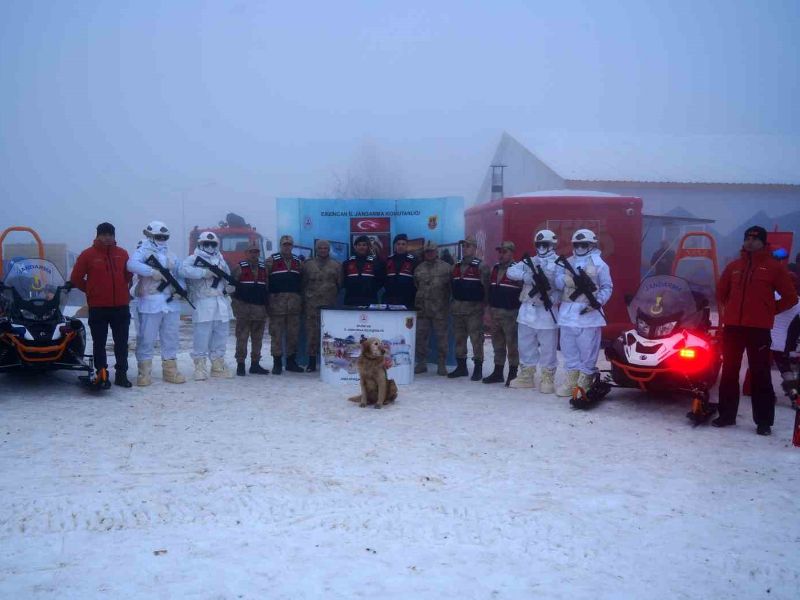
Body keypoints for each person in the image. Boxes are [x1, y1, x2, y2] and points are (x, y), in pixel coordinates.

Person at [713, 226, 798, 435]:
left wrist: (768, 311)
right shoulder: (734, 266)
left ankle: (764, 421)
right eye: (747, 238)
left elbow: (790, 297)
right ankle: (726, 415)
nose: (750, 242)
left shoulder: (773, 268)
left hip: (758, 329)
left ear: (763, 242)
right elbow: (721, 293)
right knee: (730, 372)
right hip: (733, 328)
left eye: (755, 238)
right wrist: (731, 310)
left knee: (760, 374)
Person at [69, 222, 133, 388]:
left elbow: (128, 276)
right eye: (104, 234)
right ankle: (101, 373)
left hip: (121, 306)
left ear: (114, 236)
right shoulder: (87, 255)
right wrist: (91, 290)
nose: (107, 238)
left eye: (110, 234)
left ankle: (121, 374)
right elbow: (76, 279)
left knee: (121, 342)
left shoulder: (122, 254)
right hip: (98, 307)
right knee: (99, 342)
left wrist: (122, 291)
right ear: (97, 235)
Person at [127, 220, 186, 386]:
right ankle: (144, 372)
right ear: (150, 235)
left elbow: (179, 274)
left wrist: (180, 289)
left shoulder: (171, 255)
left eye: (164, 236)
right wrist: (151, 271)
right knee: (147, 338)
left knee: (171, 338)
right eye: (159, 236)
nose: (162, 239)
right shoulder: (143, 251)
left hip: (170, 303)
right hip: (151, 302)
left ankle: (170, 370)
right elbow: (131, 264)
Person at [554, 229, 613, 397]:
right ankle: (572, 378)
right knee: (568, 348)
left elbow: (607, 287)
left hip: (588, 314)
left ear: (591, 244)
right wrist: (565, 279)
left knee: (587, 349)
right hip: (567, 312)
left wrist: (597, 303)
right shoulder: (566, 262)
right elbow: (558, 284)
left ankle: (585, 378)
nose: (580, 247)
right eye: (577, 244)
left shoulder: (599, 264)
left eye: (584, 244)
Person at [506, 229, 560, 393]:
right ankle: (527, 376)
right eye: (539, 244)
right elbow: (510, 271)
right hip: (527, 310)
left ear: (552, 245)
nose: (542, 247)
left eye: (545, 244)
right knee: (525, 345)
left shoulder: (559, 263)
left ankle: (547, 377)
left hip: (546, 311)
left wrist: (552, 298)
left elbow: (561, 288)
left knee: (548, 347)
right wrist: (526, 276)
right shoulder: (530, 260)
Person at [182, 231, 234, 380]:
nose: (210, 246)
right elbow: (183, 270)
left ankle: (217, 365)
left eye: (213, 244)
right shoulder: (193, 258)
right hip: (204, 301)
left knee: (221, 335)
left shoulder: (221, 261)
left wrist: (230, 286)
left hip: (221, 302)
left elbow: (228, 277)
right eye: (206, 243)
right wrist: (204, 273)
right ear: (200, 244)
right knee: (202, 336)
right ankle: (200, 366)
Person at [448, 235, 490, 381]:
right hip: (458, 309)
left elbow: (487, 289)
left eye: (468, 246)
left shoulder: (481, 266)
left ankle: (478, 368)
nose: (465, 249)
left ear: (475, 248)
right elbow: (450, 286)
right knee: (459, 339)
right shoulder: (456, 266)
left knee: (476, 339)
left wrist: (483, 307)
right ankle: (461, 367)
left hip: (474, 310)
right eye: (464, 246)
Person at [482, 241, 522, 385]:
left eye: (504, 252)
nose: (501, 254)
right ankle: (498, 372)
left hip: (511, 313)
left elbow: (523, 292)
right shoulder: (495, 269)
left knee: (512, 345)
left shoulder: (518, 269)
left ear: (511, 253)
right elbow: (490, 290)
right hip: (495, 312)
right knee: (497, 344)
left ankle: (513, 374)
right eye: (500, 251)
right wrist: (487, 309)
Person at [302, 239, 342, 372]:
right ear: (316, 249)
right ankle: (312, 362)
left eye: (325, 248)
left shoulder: (336, 265)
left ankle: (328, 361)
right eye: (320, 248)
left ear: (329, 249)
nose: (323, 250)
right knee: (312, 333)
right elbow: (303, 283)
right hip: (312, 305)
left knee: (328, 334)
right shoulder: (308, 265)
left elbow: (340, 284)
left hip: (328, 306)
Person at [231, 239, 270, 376]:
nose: (254, 254)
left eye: (256, 252)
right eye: (251, 252)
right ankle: (240, 364)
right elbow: (232, 289)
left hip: (259, 310)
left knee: (257, 339)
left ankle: (255, 364)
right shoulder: (239, 268)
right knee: (242, 338)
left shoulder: (264, 268)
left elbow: (267, 288)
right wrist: (237, 307)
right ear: (246, 253)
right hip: (244, 310)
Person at [266, 235, 305, 374]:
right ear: (280, 245)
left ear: (292, 246)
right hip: (277, 305)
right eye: (284, 244)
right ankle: (277, 363)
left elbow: (302, 282)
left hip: (294, 305)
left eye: (289, 244)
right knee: (276, 334)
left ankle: (290, 362)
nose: (287, 247)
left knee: (293, 335)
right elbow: (265, 280)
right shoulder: (271, 261)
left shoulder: (298, 262)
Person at [413, 240, 452, 375]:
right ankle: (422, 363)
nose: (429, 254)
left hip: (439, 309)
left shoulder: (447, 268)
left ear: (437, 252)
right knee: (420, 338)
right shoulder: (419, 268)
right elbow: (416, 285)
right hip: (422, 309)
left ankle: (442, 364)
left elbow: (450, 288)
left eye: (431, 251)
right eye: (427, 252)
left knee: (442, 338)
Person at [342, 235, 385, 306]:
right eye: (359, 245)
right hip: (351, 300)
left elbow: (380, 280)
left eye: (364, 245)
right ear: (355, 247)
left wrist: (371, 289)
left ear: (368, 247)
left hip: (370, 299)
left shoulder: (375, 263)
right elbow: (343, 280)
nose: (361, 247)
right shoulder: (347, 263)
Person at [383, 233, 417, 308]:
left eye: (403, 244)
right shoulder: (388, 260)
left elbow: (417, 280)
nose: (400, 246)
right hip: (390, 299)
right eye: (398, 244)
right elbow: (383, 278)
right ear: (395, 246)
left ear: (407, 246)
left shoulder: (413, 260)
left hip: (408, 300)